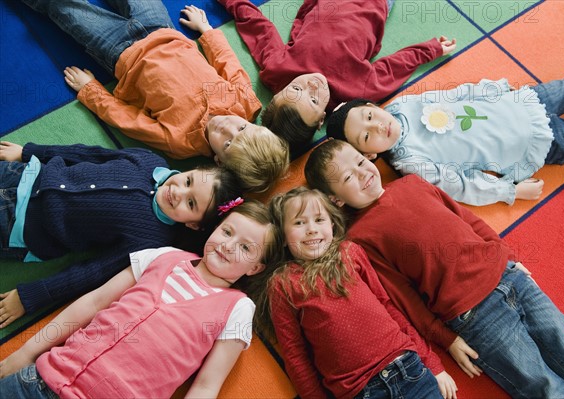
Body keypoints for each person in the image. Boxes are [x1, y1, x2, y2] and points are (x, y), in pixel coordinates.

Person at [304, 139, 564, 398]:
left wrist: (510, 257)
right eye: (348, 177)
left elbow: (466, 220)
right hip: (475, 318)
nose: (362, 173)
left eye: (359, 161)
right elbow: (403, 299)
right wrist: (448, 340)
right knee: (546, 389)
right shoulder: (361, 238)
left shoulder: (413, 183)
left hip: (509, 277)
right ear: (336, 199)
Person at [0, 199, 278, 398]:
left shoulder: (238, 307)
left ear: (255, 268)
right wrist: (26, 352)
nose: (228, 246)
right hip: (41, 379)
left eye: (245, 247)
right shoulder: (162, 255)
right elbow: (94, 302)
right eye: (227, 232)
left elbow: (206, 386)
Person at [22, 1, 289, 192]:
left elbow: (128, 120)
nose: (227, 126)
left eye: (227, 143)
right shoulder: (246, 102)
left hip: (119, 51)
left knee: (63, 8)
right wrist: (207, 30)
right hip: (162, 30)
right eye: (241, 127)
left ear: (218, 159)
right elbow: (228, 63)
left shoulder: (180, 143)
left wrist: (91, 91)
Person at [0, 140, 241, 329]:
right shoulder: (149, 161)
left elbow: (92, 272)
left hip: (21, 226)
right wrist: (29, 151)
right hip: (27, 174)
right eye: (188, 180)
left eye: (190, 203)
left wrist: (30, 297)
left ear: (193, 225)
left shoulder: (151, 241)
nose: (178, 191)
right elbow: (89, 154)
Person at [262, 186, 457, 399]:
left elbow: (387, 305)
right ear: (282, 237)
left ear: (333, 225)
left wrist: (432, 362)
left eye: (319, 220)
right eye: (299, 223)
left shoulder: (349, 252)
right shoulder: (283, 284)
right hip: (360, 392)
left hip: (409, 369)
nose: (311, 229)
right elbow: (296, 355)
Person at [325, 71, 564, 205]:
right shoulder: (410, 162)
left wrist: (493, 90)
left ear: (373, 107)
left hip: (523, 102)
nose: (377, 127)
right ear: (370, 155)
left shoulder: (402, 105)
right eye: (366, 136)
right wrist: (509, 191)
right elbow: (460, 185)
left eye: (370, 117)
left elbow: (454, 95)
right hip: (529, 144)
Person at [217, 0, 456, 151]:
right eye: (313, 99)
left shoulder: (277, 70)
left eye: (296, 89)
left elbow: (260, 29)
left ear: (279, 91)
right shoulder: (355, 93)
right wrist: (430, 49)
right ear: (322, 118)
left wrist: (232, 2)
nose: (311, 84)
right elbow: (393, 67)